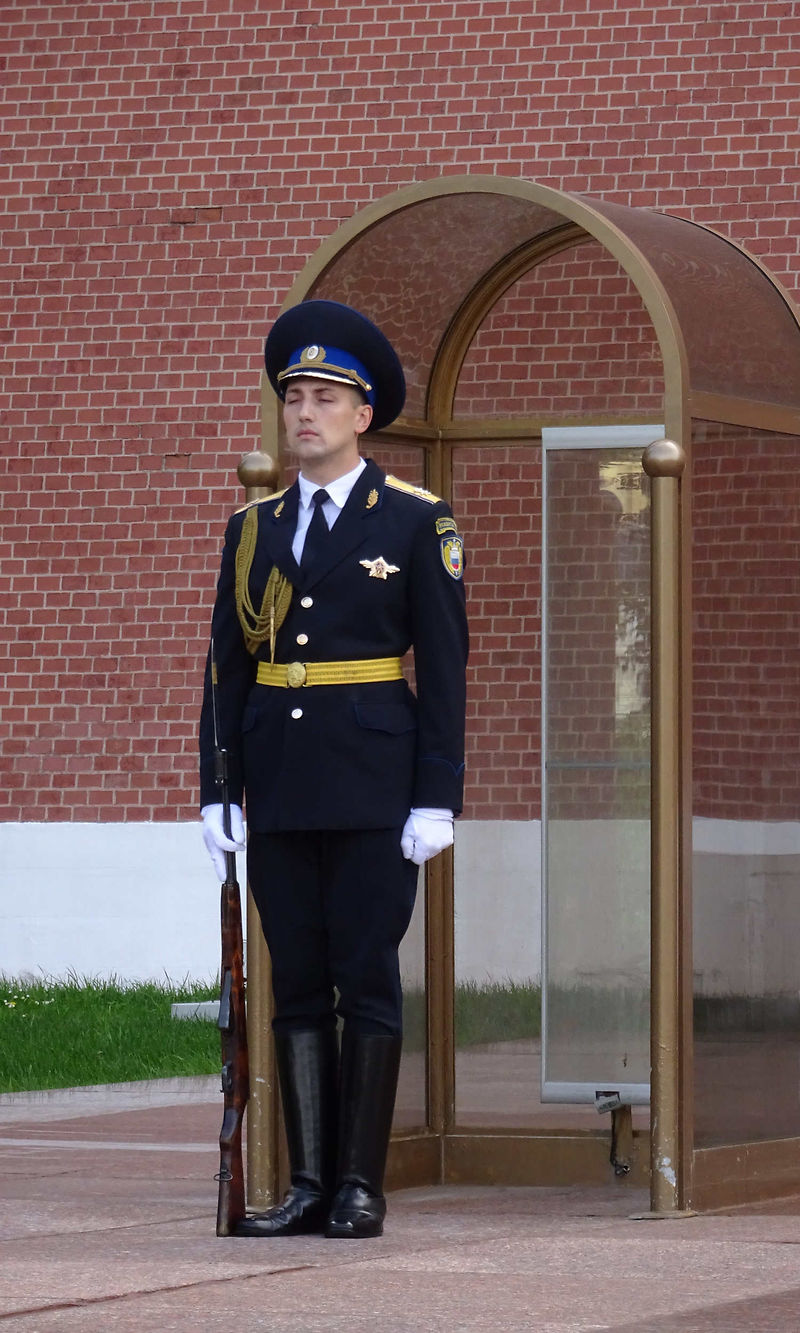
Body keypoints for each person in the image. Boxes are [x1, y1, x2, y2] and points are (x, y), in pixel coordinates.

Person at [198, 299, 468, 1239]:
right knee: (298, 983)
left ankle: (361, 1185)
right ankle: (308, 1183)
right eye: (293, 396)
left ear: (362, 416)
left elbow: (443, 665)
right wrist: (217, 787)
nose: (303, 413)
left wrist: (437, 795)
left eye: (323, 398)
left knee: (366, 979)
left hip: (371, 787)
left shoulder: (413, 523)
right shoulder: (254, 527)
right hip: (279, 783)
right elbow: (228, 667)